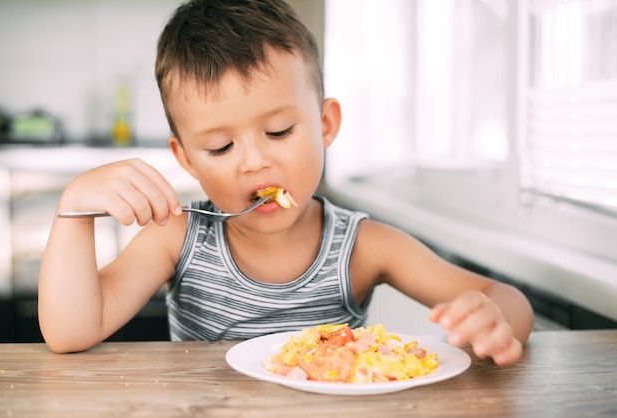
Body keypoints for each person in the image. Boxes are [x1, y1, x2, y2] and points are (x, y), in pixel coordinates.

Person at [39, 0, 534, 365]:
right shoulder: (178, 235)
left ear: (324, 126)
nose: (254, 162)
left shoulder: (361, 246)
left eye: (278, 132)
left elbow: (503, 297)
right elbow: (70, 332)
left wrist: (494, 320)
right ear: (186, 158)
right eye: (220, 148)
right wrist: (73, 210)